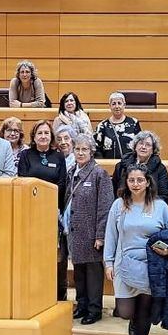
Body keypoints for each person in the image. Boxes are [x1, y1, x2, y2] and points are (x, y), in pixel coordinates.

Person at [104, 164, 168, 335]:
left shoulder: (160, 206)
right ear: (126, 183)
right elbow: (111, 235)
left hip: (151, 266)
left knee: (144, 309)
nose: (136, 184)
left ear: (148, 182)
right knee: (126, 312)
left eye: (140, 180)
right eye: (132, 180)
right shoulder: (118, 205)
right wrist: (108, 262)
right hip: (124, 265)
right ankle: (135, 323)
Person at [65, 134, 113, 324]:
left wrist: (100, 235)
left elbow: (105, 206)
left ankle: (94, 309)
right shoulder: (71, 171)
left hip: (92, 233)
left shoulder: (99, 174)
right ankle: (82, 305)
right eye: (77, 149)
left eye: (85, 149)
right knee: (79, 273)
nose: (81, 152)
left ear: (92, 152)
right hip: (75, 232)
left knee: (93, 274)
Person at [17, 120, 67, 210]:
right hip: (30, 203)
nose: (43, 136)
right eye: (40, 133)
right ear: (34, 137)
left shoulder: (59, 156)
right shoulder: (25, 155)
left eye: (46, 133)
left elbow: (62, 183)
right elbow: (22, 180)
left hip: (52, 204)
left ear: (51, 136)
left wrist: (48, 199)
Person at [112, 130, 168, 204]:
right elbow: (113, 191)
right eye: (141, 143)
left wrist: (146, 205)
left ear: (153, 150)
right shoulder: (121, 166)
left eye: (148, 145)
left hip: (150, 209)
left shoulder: (160, 168)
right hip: (124, 206)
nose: (143, 147)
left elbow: (165, 196)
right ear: (135, 147)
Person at [94, 92, 141, 159]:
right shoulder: (102, 125)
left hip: (130, 165)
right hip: (109, 164)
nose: (117, 106)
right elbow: (97, 149)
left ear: (124, 105)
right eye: (113, 104)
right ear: (110, 106)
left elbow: (139, 145)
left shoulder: (133, 123)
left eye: (119, 103)